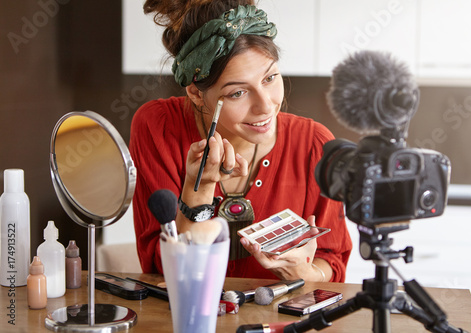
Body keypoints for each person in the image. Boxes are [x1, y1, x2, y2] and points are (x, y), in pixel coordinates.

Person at [130, 0, 352, 282]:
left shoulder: (314, 145)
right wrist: (199, 190)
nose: (266, 106)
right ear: (197, 94)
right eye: (237, 93)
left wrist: (304, 272)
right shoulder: (158, 127)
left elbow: (333, 262)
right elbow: (164, 270)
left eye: (270, 77)